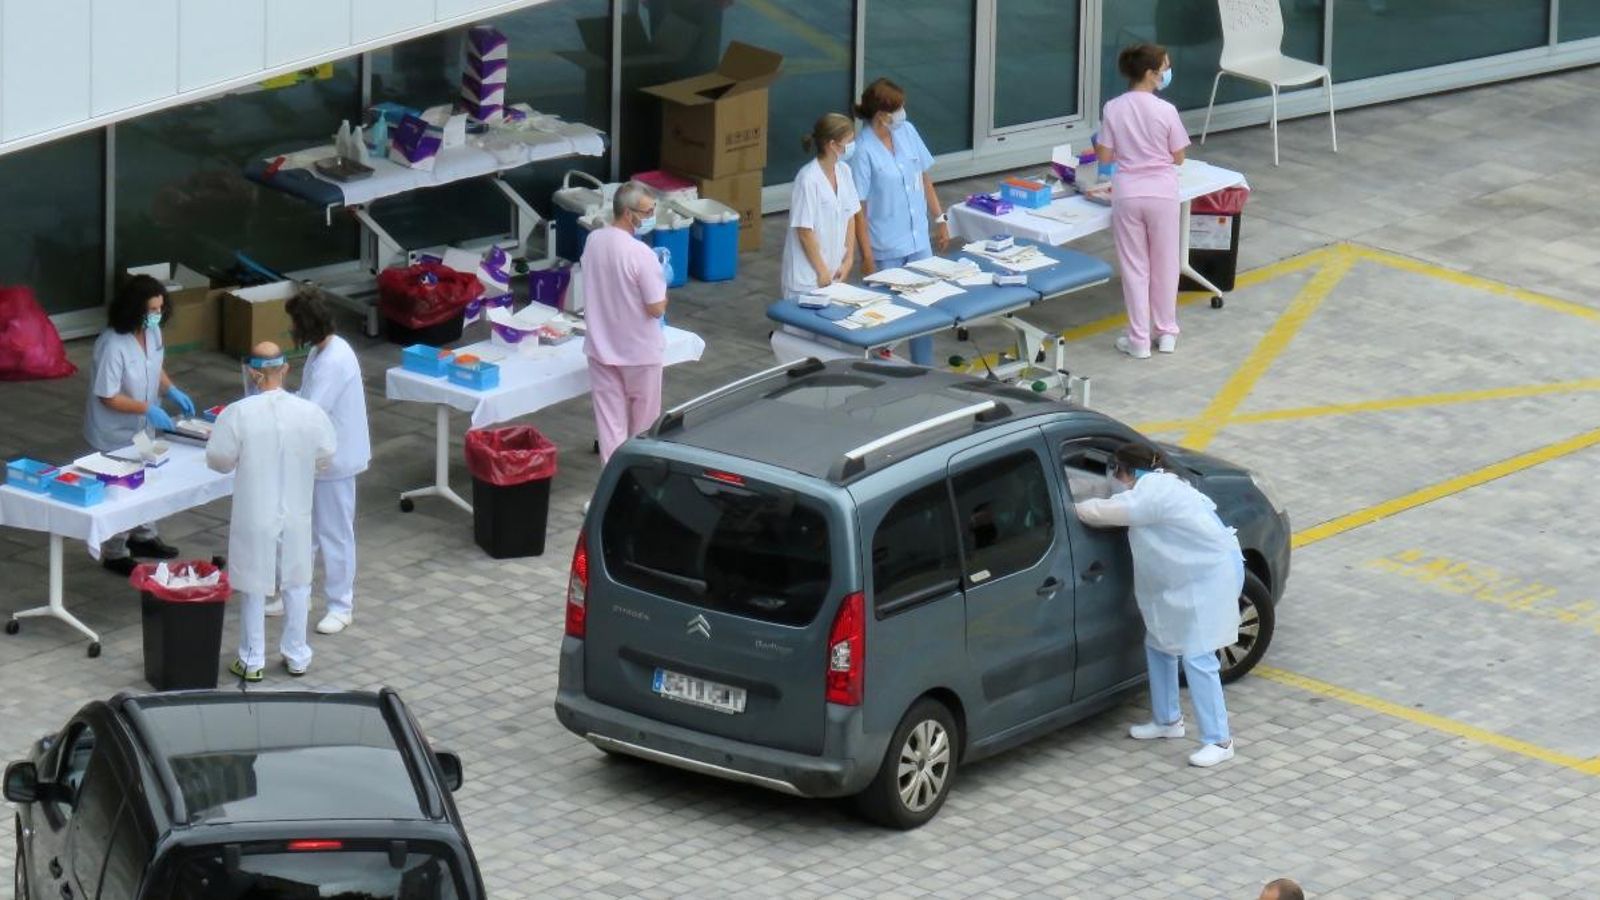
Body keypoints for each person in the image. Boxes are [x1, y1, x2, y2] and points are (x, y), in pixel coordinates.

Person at [1075, 443, 1243, 768]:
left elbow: (1107, 512)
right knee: (1159, 642)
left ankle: (1220, 741)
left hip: (1209, 578)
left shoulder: (1155, 491)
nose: (1115, 480)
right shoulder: (1158, 485)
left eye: (1117, 472)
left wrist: (1070, 507)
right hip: (1187, 579)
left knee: (1198, 656)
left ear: (1128, 472)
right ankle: (1167, 720)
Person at [206, 342, 337, 681]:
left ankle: (252, 659)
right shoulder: (309, 413)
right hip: (296, 508)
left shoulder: (238, 413)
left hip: (256, 508)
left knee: (253, 582)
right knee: (297, 580)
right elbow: (326, 453)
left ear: (251, 372)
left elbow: (219, 460)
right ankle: (297, 654)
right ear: (286, 369)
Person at [83, 274, 195, 575]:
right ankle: (114, 551)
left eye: (160, 308)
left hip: (142, 428)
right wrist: (147, 408)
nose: (157, 314)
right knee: (120, 489)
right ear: (135, 309)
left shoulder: (153, 333)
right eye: (152, 310)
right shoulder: (112, 345)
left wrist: (171, 390)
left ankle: (143, 536)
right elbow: (107, 395)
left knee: (148, 476)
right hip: (115, 433)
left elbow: (154, 366)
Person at [1096, 43, 1190, 359]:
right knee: (1165, 264)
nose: (1167, 72)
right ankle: (1166, 332)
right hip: (1162, 193)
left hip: (1127, 193)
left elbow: (1104, 156)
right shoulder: (1167, 111)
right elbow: (1178, 157)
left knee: (1135, 268)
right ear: (1150, 74)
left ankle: (1138, 340)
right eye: (1165, 67)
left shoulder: (1112, 108)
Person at [286, 290, 371, 636]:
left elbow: (311, 412)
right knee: (303, 533)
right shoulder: (320, 351)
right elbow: (306, 399)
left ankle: (341, 605)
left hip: (334, 462)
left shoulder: (333, 360)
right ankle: (298, 595)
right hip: (318, 459)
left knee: (335, 534)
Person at [851, 78, 948, 366]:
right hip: (886, 246)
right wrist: (867, 256)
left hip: (918, 240)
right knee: (887, 318)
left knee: (925, 312)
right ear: (882, 115)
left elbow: (924, 177)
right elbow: (858, 208)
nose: (902, 113)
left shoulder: (908, 132)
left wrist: (940, 218)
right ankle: (880, 370)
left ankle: (924, 368)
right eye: (897, 108)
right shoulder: (863, 150)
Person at [580, 181, 669, 463]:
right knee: (643, 429)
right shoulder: (641, 254)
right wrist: (663, 281)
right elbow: (656, 308)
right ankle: (637, 482)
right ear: (629, 214)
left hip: (601, 348)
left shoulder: (594, 240)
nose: (652, 216)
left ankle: (612, 483)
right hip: (639, 353)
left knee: (610, 427)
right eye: (648, 211)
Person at [781, 113, 861, 300]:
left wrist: (848, 259)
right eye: (848, 141)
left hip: (834, 272)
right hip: (807, 279)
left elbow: (850, 216)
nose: (852, 146)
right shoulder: (808, 179)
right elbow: (804, 231)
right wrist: (822, 271)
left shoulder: (844, 171)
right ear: (832, 145)